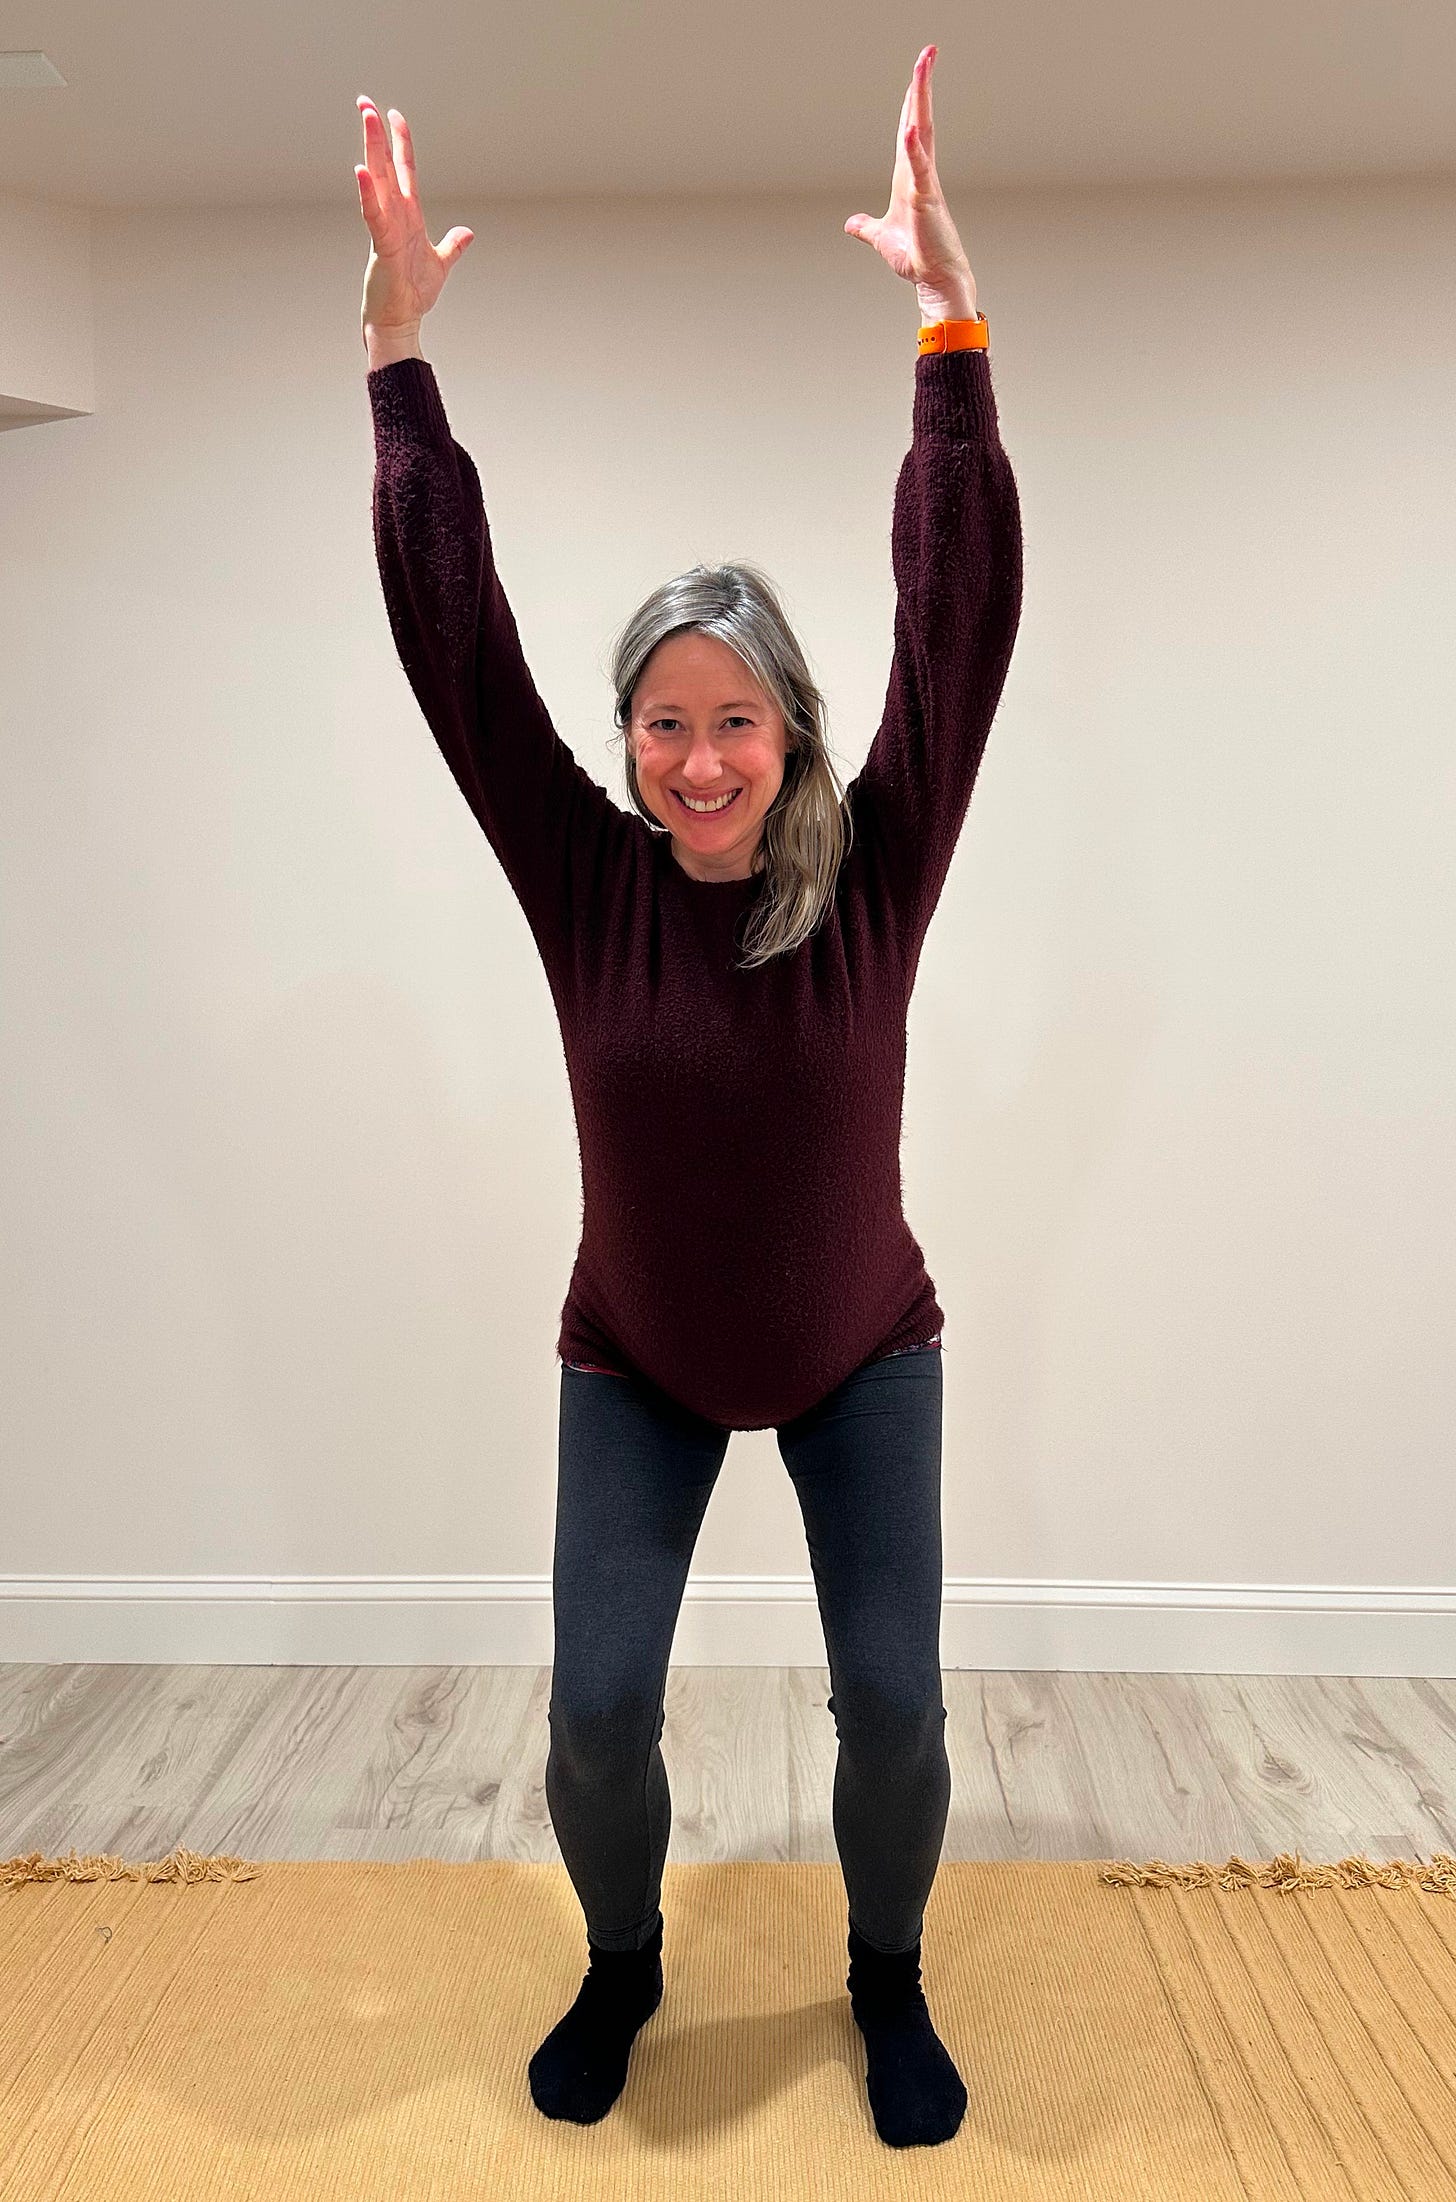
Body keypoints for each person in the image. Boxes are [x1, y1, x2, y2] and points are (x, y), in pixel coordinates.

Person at [355, 44, 1022, 2152]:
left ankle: (885, 1979)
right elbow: (453, 651)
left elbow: (965, 619)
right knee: (595, 1714)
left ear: (788, 730)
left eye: (734, 721)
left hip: (855, 1356)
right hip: (633, 1361)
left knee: (899, 1706)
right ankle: (625, 1959)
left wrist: (949, 338)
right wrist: (397, 369)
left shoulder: (875, 868)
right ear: (627, 742)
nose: (700, 761)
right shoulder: (586, 882)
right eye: (663, 724)